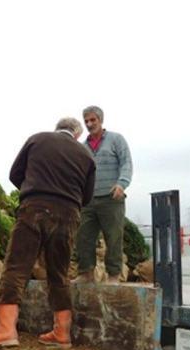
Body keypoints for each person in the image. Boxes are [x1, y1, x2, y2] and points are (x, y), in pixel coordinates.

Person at [0, 117, 96, 350]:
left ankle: (6, 331)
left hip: (35, 208)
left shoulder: (37, 140)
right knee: (59, 274)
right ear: (77, 134)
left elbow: (15, 174)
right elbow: (88, 195)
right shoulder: (86, 155)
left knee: (16, 268)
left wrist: (34, 188)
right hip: (69, 215)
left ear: (57, 128)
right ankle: (62, 333)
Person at [75, 105, 133, 283]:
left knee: (113, 238)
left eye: (93, 120)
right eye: (86, 121)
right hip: (88, 200)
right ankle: (86, 274)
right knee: (83, 237)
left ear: (101, 120)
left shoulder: (116, 140)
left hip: (112, 198)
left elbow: (126, 163)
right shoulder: (82, 147)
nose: (89, 124)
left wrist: (122, 184)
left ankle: (114, 275)